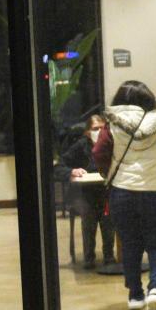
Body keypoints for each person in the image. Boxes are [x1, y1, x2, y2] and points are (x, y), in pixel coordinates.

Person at [93, 80, 156, 310]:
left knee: (130, 243)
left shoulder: (111, 126)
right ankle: (155, 290)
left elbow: (99, 153)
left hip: (123, 191)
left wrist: (106, 172)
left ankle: (135, 295)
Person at [55, 114, 114, 270]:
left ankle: (109, 256)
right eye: (95, 129)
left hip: (105, 190)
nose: (100, 132)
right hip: (84, 192)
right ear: (88, 132)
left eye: (102, 128)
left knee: (108, 216)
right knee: (89, 214)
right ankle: (89, 257)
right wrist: (72, 171)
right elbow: (58, 167)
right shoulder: (81, 146)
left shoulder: (112, 145)